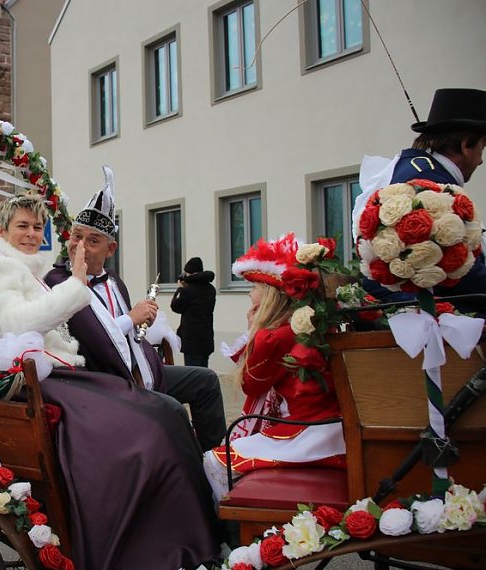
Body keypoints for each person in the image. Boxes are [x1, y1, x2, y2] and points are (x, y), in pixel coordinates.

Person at [0, 193, 219, 570]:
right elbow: (17, 323)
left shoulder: (28, 267)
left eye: (37, 227)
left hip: (58, 370)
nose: (32, 234)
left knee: (155, 413)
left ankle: (185, 523)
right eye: (23, 226)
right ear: (2, 230)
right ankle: (139, 535)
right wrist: (77, 282)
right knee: (149, 419)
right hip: (25, 377)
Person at [44, 167, 226, 451]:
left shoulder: (115, 280)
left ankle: (217, 463)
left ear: (111, 249)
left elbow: (129, 335)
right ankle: (192, 480)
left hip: (138, 369)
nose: (80, 246)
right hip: (104, 382)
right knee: (174, 411)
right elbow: (95, 337)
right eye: (77, 237)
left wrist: (145, 326)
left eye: (93, 241)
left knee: (206, 381)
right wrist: (132, 317)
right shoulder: (59, 282)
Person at [202, 234, 346, 506]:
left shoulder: (273, 336)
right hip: (332, 429)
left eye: (253, 293)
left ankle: (234, 529)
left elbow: (250, 384)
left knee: (214, 461)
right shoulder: (307, 325)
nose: (250, 299)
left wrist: (252, 332)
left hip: (303, 432)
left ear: (268, 297)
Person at [354, 88, 486, 316]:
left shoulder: (417, 165)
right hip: (410, 301)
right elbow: (459, 267)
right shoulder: (429, 183)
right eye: (482, 148)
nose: (481, 160)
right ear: (466, 146)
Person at [171, 257, 217, 367]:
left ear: (189, 273)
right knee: (203, 372)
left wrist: (180, 289)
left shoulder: (188, 290)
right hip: (206, 338)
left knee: (193, 375)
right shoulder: (211, 289)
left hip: (191, 341)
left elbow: (176, 307)